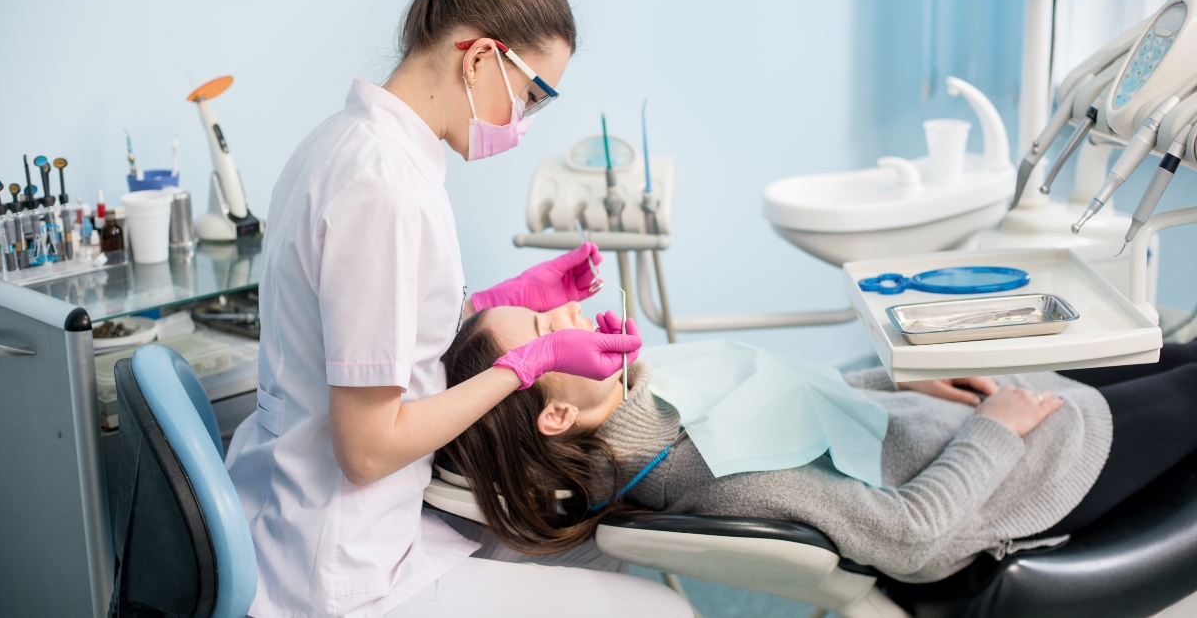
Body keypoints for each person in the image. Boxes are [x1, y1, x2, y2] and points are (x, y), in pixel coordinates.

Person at [223, 0, 692, 616]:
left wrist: (511, 300)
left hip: (305, 514)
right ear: (476, 60)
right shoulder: (384, 192)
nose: (523, 123)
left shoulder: (342, 143)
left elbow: (383, 331)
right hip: (345, 564)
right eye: (529, 97)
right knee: (661, 610)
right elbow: (365, 451)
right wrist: (528, 362)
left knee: (591, 552)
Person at [439, 302, 1197, 583]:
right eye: (545, 331)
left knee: (1167, 345)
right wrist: (997, 432)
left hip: (972, 415)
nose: (569, 310)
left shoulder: (656, 392)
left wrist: (887, 383)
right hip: (1032, 469)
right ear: (556, 418)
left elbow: (789, 404)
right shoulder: (710, 476)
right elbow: (908, 537)